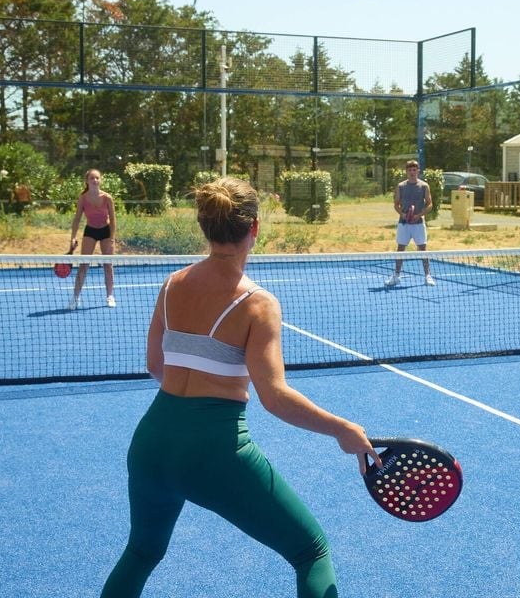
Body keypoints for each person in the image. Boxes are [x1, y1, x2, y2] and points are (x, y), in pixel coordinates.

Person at [100, 177, 381, 598]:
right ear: (255, 228)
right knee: (310, 552)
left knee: (141, 552)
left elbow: (155, 365)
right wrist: (342, 429)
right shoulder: (257, 304)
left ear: (204, 227)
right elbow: (275, 397)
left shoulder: (171, 284)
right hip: (215, 448)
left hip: (151, 440)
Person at [69, 168, 117, 309]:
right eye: (92, 178)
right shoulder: (83, 198)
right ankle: (75, 298)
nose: (95, 180)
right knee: (84, 265)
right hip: (90, 231)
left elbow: (113, 220)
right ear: (87, 181)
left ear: (100, 180)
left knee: (108, 265)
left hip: (105, 232)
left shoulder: (107, 198)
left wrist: (112, 239)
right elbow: (77, 218)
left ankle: (109, 296)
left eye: (97, 178)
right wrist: (73, 237)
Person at [385, 159, 435, 287]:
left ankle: (427, 276)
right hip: (404, 224)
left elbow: (430, 204)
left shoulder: (424, 186)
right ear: (406, 171)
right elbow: (396, 204)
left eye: (414, 170)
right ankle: (396, 276)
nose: (412, 172)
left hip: (418, 224)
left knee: (423, 249)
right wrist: (402, 214)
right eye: (409, 170)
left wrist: (419, 215)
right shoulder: (401, 186)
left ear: (418, 171)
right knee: (401, 249)